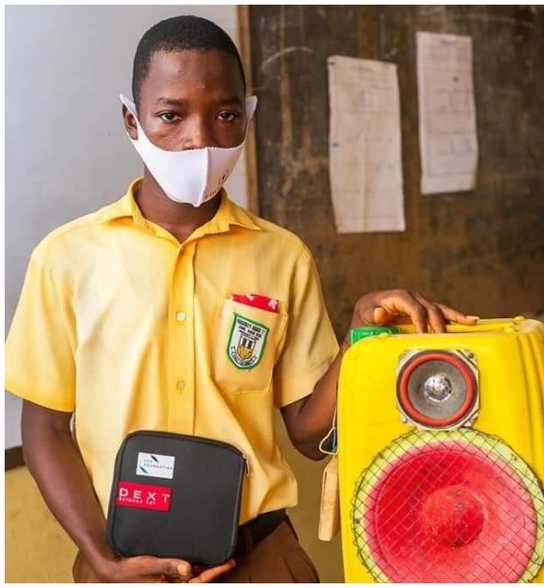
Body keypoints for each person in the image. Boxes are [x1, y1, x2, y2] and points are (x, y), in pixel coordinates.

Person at [5, 15, 475, 583]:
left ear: (247, 119)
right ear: (132, 119)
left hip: (261, 556)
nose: (199, 137)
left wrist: (358, 337)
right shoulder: (67, 258)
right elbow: (46, 429)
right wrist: (102, 556)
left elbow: (307, 433)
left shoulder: (282, 256)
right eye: (171, 115)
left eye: (225, 114)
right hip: (123, 559)